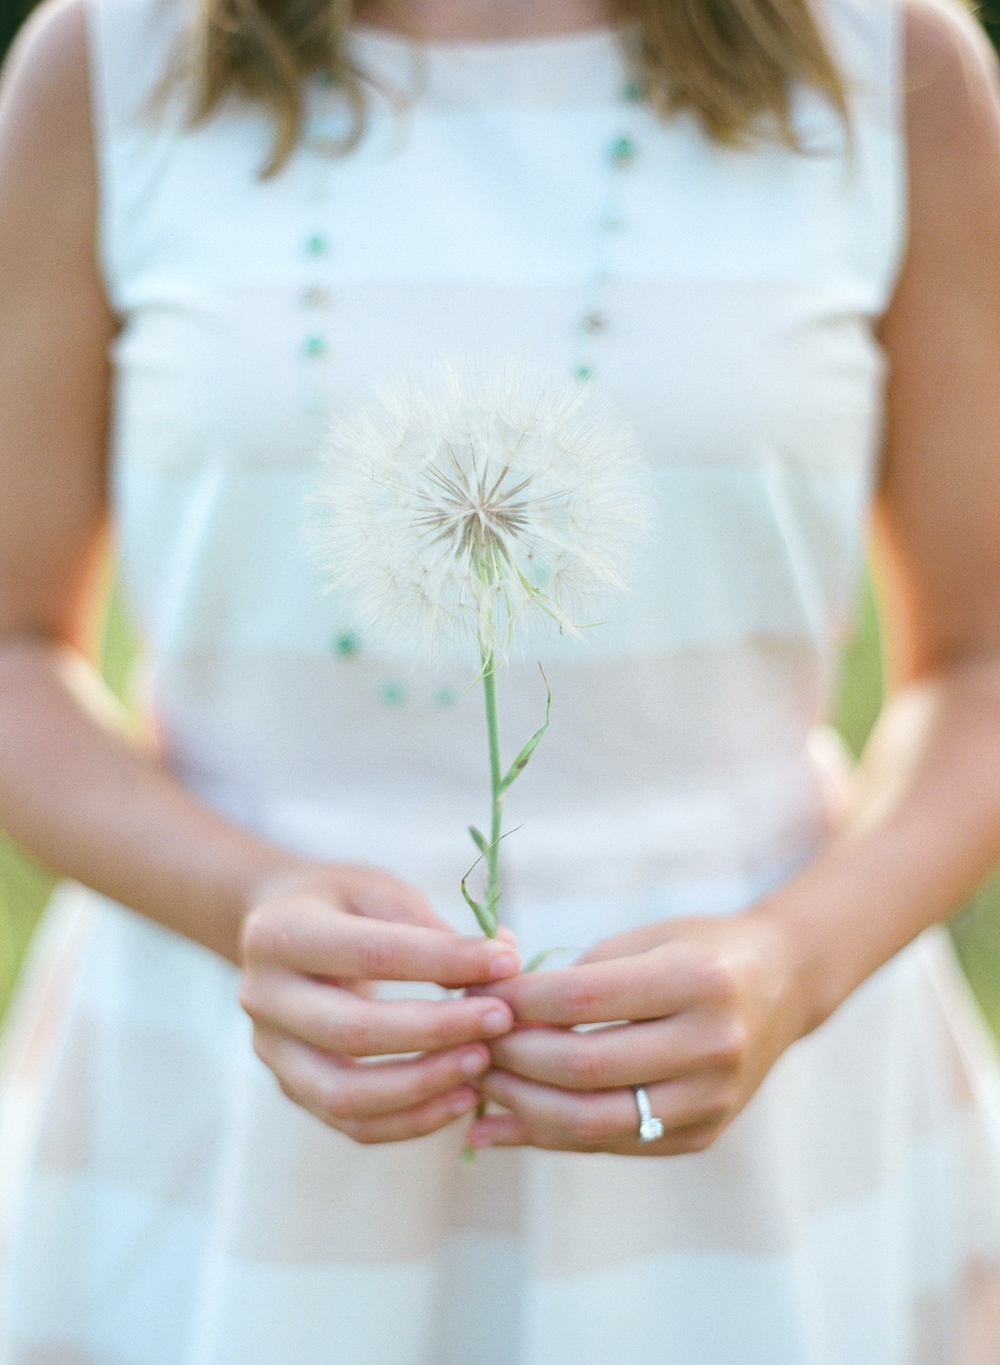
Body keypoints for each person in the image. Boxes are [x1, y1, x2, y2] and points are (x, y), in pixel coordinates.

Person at [0, 0, 999, 1355]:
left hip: (771, 1133)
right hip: (216, 1113)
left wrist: (796, 961)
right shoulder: (109, 61)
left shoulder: (895, 69)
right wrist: (242, 900)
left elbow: (983, 657)